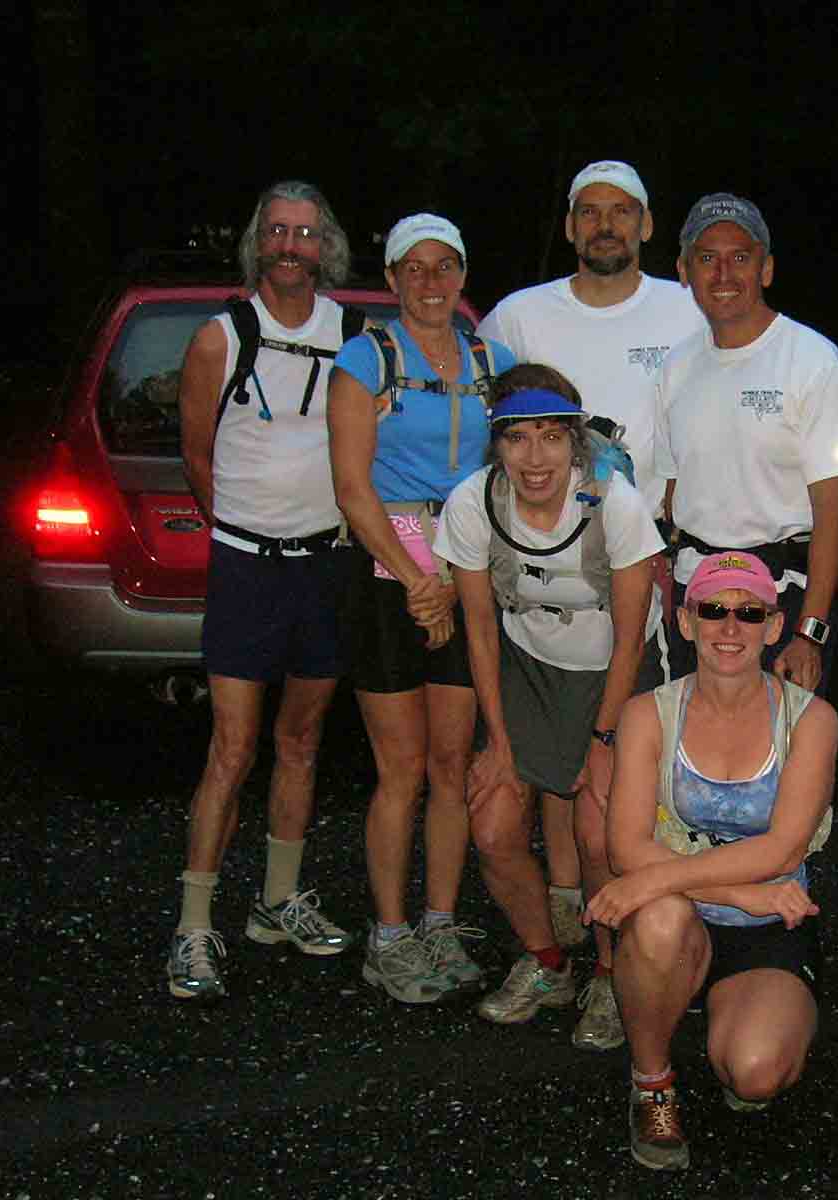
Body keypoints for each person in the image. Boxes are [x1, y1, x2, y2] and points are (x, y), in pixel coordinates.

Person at [476, 160, 703, 950]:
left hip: (647, 551)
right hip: (543, 566)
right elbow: (484, 429)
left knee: (614, 779)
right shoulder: (516, 318)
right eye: (589, 213)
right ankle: (567, 920)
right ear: (570, 225)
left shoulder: (686, 310)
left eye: (622, 212)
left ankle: (631, 942)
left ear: (646, 225)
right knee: (548, 771)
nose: (605, 225)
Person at [434, 364, 668, 1049]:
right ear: (497, 448)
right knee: (494, 822)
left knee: (601, 835)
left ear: (575, 445)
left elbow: (631, 636)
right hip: (529, 666)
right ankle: (547, 961)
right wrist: (499, 745)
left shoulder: (614, 503)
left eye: (549, 439)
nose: (535, 458)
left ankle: (608, 972)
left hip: (617, 673)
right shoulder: (474, 502)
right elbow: (479, 630)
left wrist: (602, 740)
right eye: (517, 440)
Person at [585, 552, 838, 1172]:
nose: (731, 627)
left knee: (756, 1074)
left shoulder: (812, 720)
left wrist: (673, 878)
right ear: (685, 620)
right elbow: (625, 848)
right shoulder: (647, 714)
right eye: (713, 610)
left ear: (775, 626)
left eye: (749, 613)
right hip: (694, 916)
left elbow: (782, 850)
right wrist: (742, 892)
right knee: (662, 917)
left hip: (766, 927)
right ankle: (652, 1079)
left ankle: (716, 1010)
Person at [167, 179, 357, 1002]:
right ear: (257, 242)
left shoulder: (353, 336)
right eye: (277, 231)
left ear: (326, 248)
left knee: (302, 741)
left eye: (305, 233)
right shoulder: (219, 337)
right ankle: (193, 928)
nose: (290, 246)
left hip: (326, 567)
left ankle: (277, 901)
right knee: (232, 748)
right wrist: (242, 529)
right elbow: (198, 457)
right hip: (246, 566)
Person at [328, 213, 517, 1004]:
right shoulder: (363, 360)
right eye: (415, 268)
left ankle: (441, 919)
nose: (431, 282)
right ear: (393, 277)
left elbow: (522, 461)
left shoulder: (494, 361)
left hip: (466, 566)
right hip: (386, 572)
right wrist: (417, 581)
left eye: (445, 267)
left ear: (464, 274)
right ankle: (391, 934)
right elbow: (351, 487)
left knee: (451, 764)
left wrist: (449, 578)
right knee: (399, 768)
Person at [655, 192, 838, 692]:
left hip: (781, 601)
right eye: (707, 258)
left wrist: (810, 634)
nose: (723, 274)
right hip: (698, 597)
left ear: (766, 269)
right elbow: (672, 494)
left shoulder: (815, 363)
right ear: (684, 271)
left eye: (740, 257)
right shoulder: (675, 367)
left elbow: (834, 516)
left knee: (785, 760)